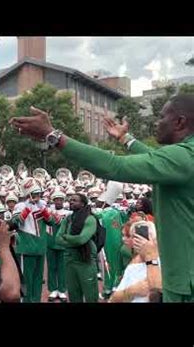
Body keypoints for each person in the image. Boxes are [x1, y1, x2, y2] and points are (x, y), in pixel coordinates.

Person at [10, 95, 194, 302]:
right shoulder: (184, 158)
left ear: (180, 122)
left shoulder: (184, 156)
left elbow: (114, 166)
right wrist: (126, 139)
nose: (156, 122)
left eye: (162, 117)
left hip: (186, 285)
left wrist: (53, 136)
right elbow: (155, 158)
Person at [54, 194, 99, 302]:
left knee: (90, 295)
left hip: (85, 260)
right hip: (70, 260)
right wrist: (73, 240)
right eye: (70, 200)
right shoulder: (68, 219)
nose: (71, 202)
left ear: (83, 203)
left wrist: (66, 237)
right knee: (73, 294)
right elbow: (57, 239)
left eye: (74, 200)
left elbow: (81, 239)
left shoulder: (90, 219)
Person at [109, 220, 162, 302]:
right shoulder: (133, 266)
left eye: (141, 236)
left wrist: (150, 256)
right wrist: (132, 290)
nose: (137, 241)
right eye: (134, 237)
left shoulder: (164, 262)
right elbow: (113, 299)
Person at [46, 189, 70, 302]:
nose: (58, 202)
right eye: (56, 200)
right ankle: (53, 289)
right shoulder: (49, 212)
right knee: (51, 267)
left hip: (63, 244)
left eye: (60, 199)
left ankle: (62, 290)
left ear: (63, 201)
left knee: (62, 268)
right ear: (53, 201)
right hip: (50, 243)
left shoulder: (68, 213)